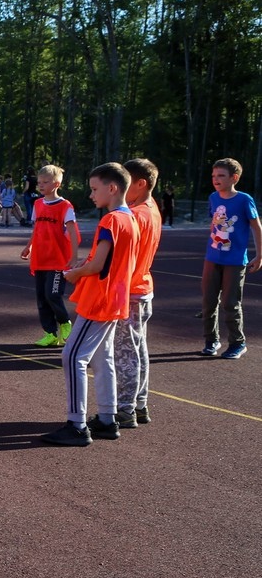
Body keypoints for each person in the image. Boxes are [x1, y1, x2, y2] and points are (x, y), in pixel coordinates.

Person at [41, 162, 139, 446]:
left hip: (100, 299)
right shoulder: (129, 218)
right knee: (102, 357)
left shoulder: (111, 221)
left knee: (72, 356)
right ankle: (107, 419)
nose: (92, 195)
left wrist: (74, 272)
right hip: (114, 298)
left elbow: (98, 263)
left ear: (113, 188)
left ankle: (76, 424)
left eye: (95, 189)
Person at [114, 158, 163, 428]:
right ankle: (139, 404)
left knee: (124, 353)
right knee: (138, 349)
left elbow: (124, 259)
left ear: (141, 184)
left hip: (130, 291)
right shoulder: (150, 209)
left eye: (126, 181)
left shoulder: (136, 215)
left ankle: (125, 408)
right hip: (142, 288)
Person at [201, 157, 262, 360]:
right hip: (212, 258)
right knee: (209, 302)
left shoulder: (244, 200)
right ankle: (211, 340)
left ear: (234, 177)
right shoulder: (213, 197)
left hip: (235, 261)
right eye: (213, 176)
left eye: (221, 175)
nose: (216, 179)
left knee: (230, 303)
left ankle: (238, 342)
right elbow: (214, 223)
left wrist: (260, 255)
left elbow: (256, 226)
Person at [21, 165, 80, 347]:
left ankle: (64, 322)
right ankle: (50, 333)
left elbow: (72, 232)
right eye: (39, 182)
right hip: (40, 258)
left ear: (56, 184)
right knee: (41, 298)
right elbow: (36, 228)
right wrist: (29, 246)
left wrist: (75, 256)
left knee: (52, 295)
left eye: (45, 182)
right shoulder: (38, 204)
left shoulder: (65, 206)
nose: (41, 185)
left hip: (57, 260)